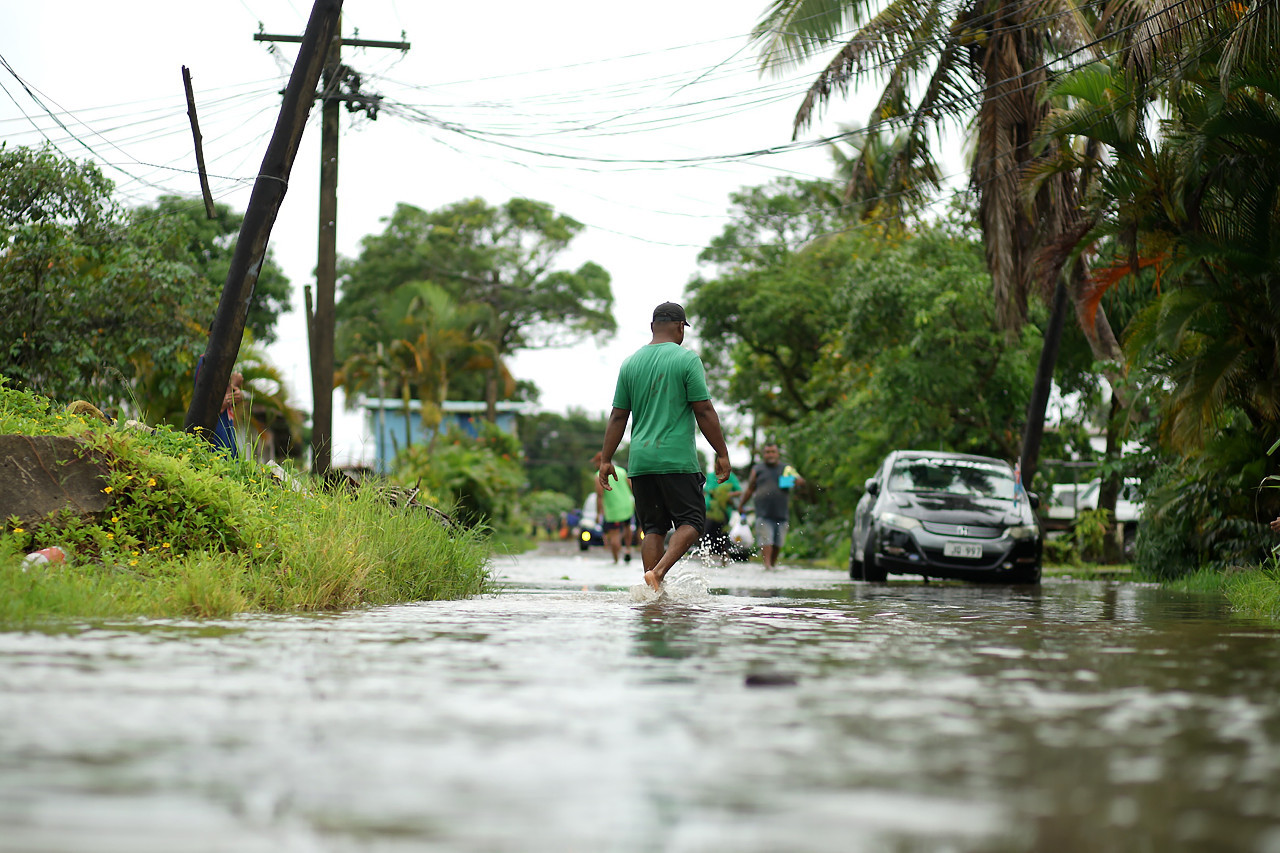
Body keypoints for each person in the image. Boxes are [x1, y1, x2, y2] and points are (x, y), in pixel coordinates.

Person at [599, 301, 731, 592]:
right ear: (680, 327)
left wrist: (606, 459)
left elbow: (618, 415)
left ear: (653, 327)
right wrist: (721, 452)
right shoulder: (686, 360)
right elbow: (704, 410)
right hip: (676, 460)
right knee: (693, 521)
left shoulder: (630, 363)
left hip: (640, 463)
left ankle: (651, 591)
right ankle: (658, 573)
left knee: (653, 528)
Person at [738, 443, 804, 570]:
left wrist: (793, 481)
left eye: (773, 452)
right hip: (763, 513)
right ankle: (767, 566)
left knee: (778, 544)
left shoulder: (786, 469)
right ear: (763, 455)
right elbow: (750, 489)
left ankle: (771, 566)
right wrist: (741, 504)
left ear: (778, 453)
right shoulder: (758, 469)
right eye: (767, 452)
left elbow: (801, 482)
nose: (770, 455)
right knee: (766, 540)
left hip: (781, 513)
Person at [194, 354, 243, 457]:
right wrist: (228, 397)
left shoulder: (225, 361)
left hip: (227, 427)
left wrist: (235, 389)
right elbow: (203, 403)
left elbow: (225, 397)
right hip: (215, 432)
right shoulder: (207, 361)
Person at [592, 451, 636, 564]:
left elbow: (599, 496)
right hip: (627, 506)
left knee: (614, 534)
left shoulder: (598, 476)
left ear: (600, 462)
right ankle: (627, 549)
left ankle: (616, 560)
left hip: (613, 509)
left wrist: (598, 513)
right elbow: (632, 487)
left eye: (596, 462)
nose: (595, 465)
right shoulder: (621, 471)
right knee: (627, 528)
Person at [703, 469, 741, 564]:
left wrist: (727, 495)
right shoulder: (711, 476)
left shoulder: (731, 476)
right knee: (707, 533)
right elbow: (707, 490)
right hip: (710, 510)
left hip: (724, 511)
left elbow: (739, 491)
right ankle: (705, 556)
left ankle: (725, 556)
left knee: (723, 534)